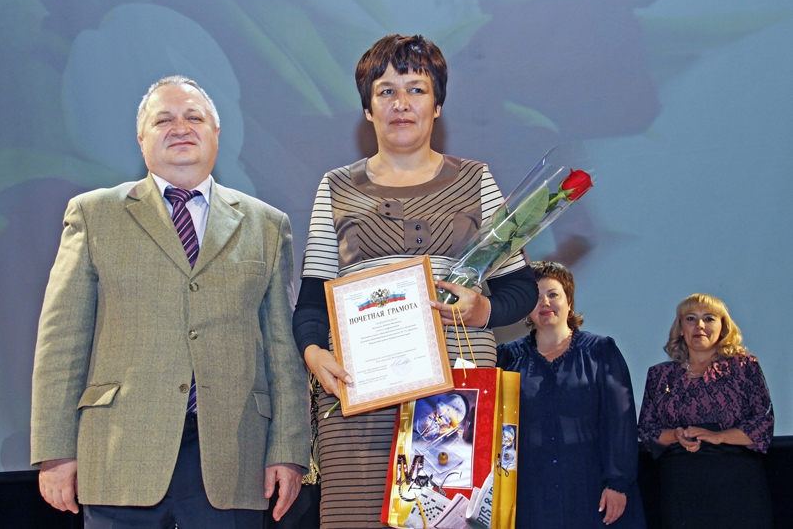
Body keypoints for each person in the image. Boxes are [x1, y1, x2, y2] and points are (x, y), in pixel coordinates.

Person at [30, 75, 310, 528]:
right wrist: (55, 451)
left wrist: (289, 449)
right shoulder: (94, 214)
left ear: (216, 134)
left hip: (235, 456)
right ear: (141, 140)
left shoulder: (267, 225)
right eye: (163, 120)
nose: (180, 127)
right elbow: (61, 340)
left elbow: (282, 349)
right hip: (120, 452)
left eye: (193, 117)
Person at [292, 34, 538, 528]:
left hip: (455, 397)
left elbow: (522, 289)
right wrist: (315, 355)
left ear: (437, 105)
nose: (401, 103)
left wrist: (483, 310)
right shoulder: (335, 186)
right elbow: (312, 306)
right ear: (368, 110)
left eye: (416, 89)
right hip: (358, 395)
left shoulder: (475, 180)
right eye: (385, 91)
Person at [496, 261, 645, 528]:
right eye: (536, 297)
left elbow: (620, 421)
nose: (545, 302)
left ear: (569, 302)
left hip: (591, 484)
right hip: (531, 490)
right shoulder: (507, 357)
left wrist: (618, 483)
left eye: (553, 294)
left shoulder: (601, 351)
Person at [638, 293, 774, 529]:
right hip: (681, 486)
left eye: (709, 318)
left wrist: (718, 436)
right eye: (690, 318)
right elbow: (647, 429)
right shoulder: (660, 375)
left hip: (736, 483)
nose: (699, 325)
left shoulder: (745, 367)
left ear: (723, 328)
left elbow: (763, 423)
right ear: (681, 329)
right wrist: (676, 435)